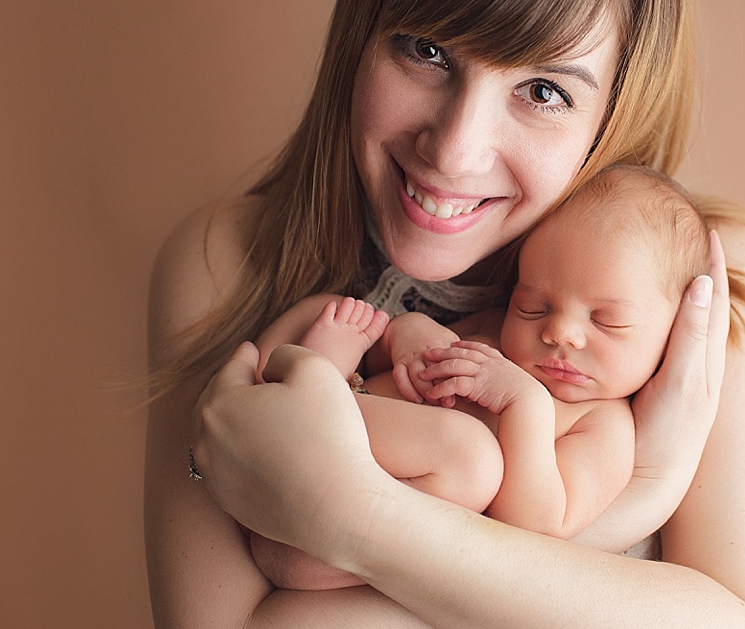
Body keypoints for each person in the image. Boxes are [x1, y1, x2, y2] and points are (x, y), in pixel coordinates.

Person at [146, 0, 745, 629]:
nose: (455, 152)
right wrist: (633, 509)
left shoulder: (694, 288)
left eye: (544, 91)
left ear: (616, 109)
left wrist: (352, 516)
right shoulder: (229, 262)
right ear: (365, 30)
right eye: (427, 50)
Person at [247, 165, 711, 590]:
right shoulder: (494, 334)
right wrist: (409, 335)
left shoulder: (604, 428)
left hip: (341, 528)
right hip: (338, 425)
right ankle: (319, 387)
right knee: (337, 313)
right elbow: (406, 356)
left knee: (474, 463)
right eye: (533, 306)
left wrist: (524, 405)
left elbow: (535, 528)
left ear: (670, 336)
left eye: (608, 322)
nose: (559, 332)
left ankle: (311, 397)